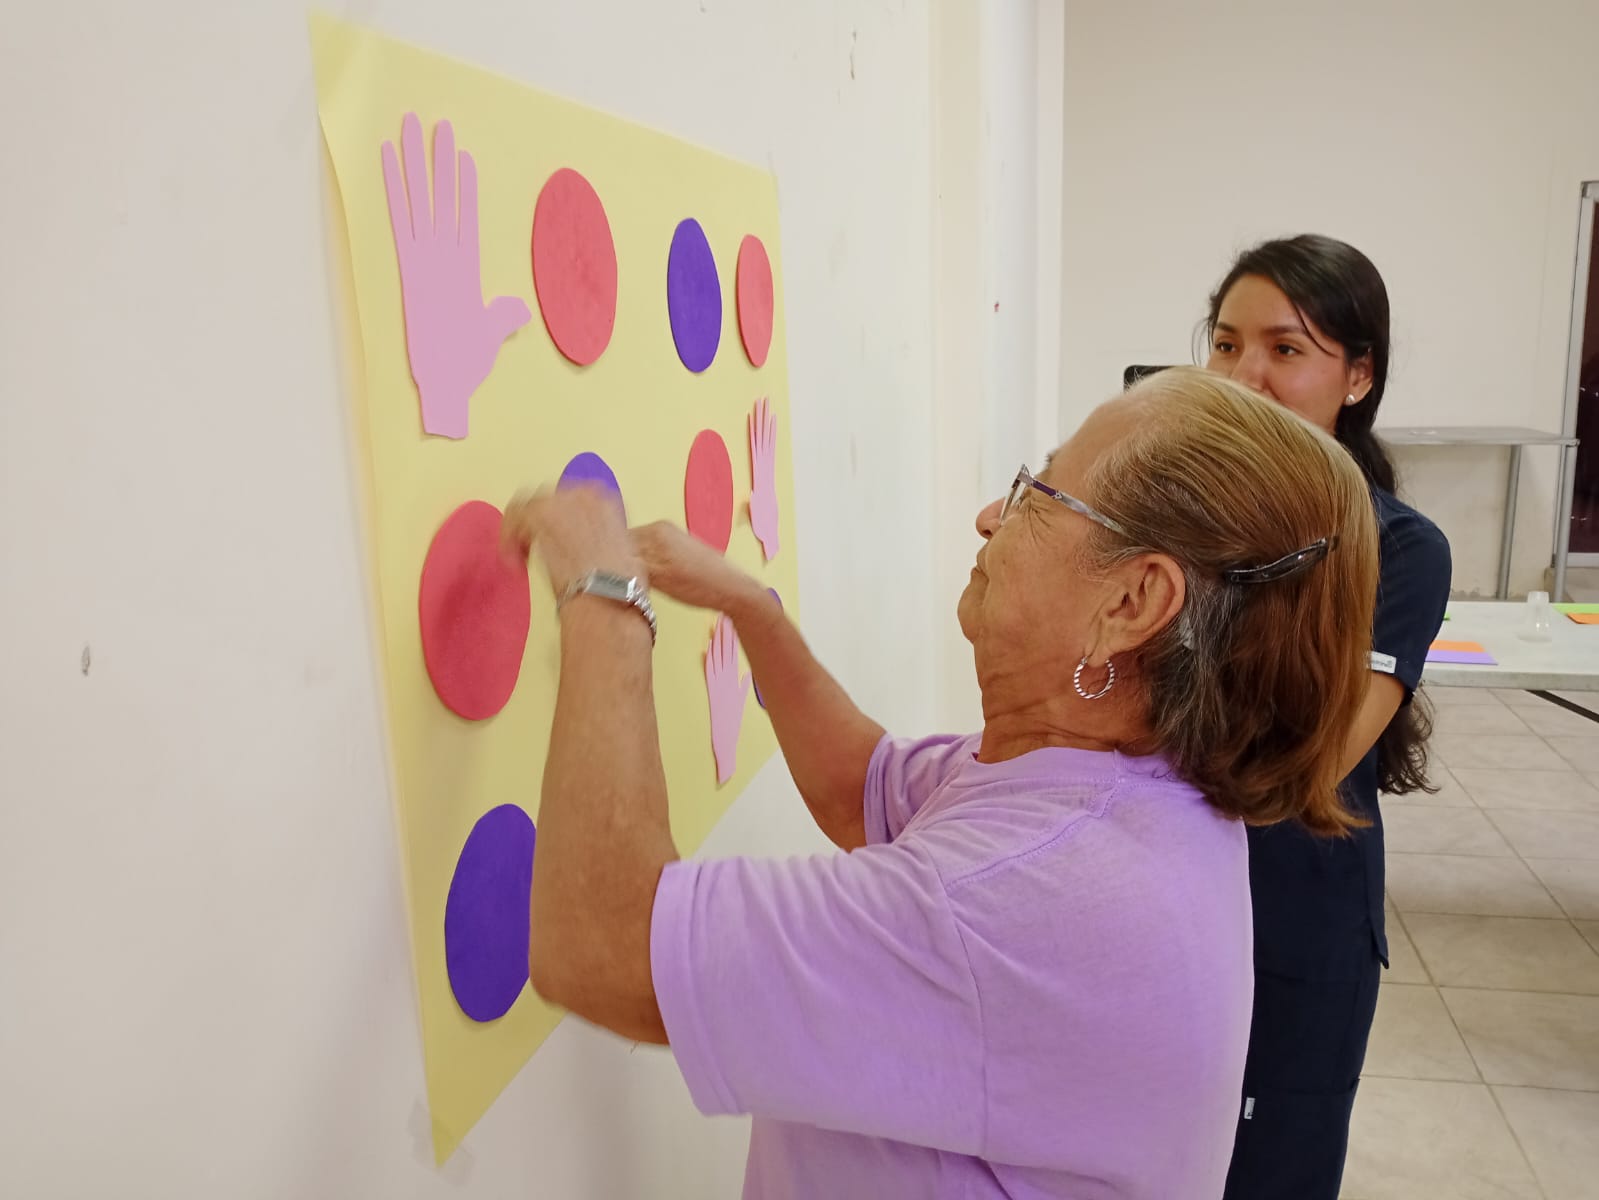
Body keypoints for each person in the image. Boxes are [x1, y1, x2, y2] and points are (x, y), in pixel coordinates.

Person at [502, 368, 1380, 1200]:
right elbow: (861, 787)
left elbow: (604, 952)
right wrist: (750, 609)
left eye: (1039, 494)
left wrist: (604, 595)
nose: (991, 515)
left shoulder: (1035, 891)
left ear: (1130, 603)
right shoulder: (1112, 786)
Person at [1200, 235, 1453, 1199]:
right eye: (1225, 345)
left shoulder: (1398, 550)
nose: (1244, 376)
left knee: (1269, 1172)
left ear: (1357, 377)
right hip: (1155, 901)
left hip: (1291, 917)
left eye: (1284, 349)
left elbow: (1308, 760)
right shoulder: (1175, 520)